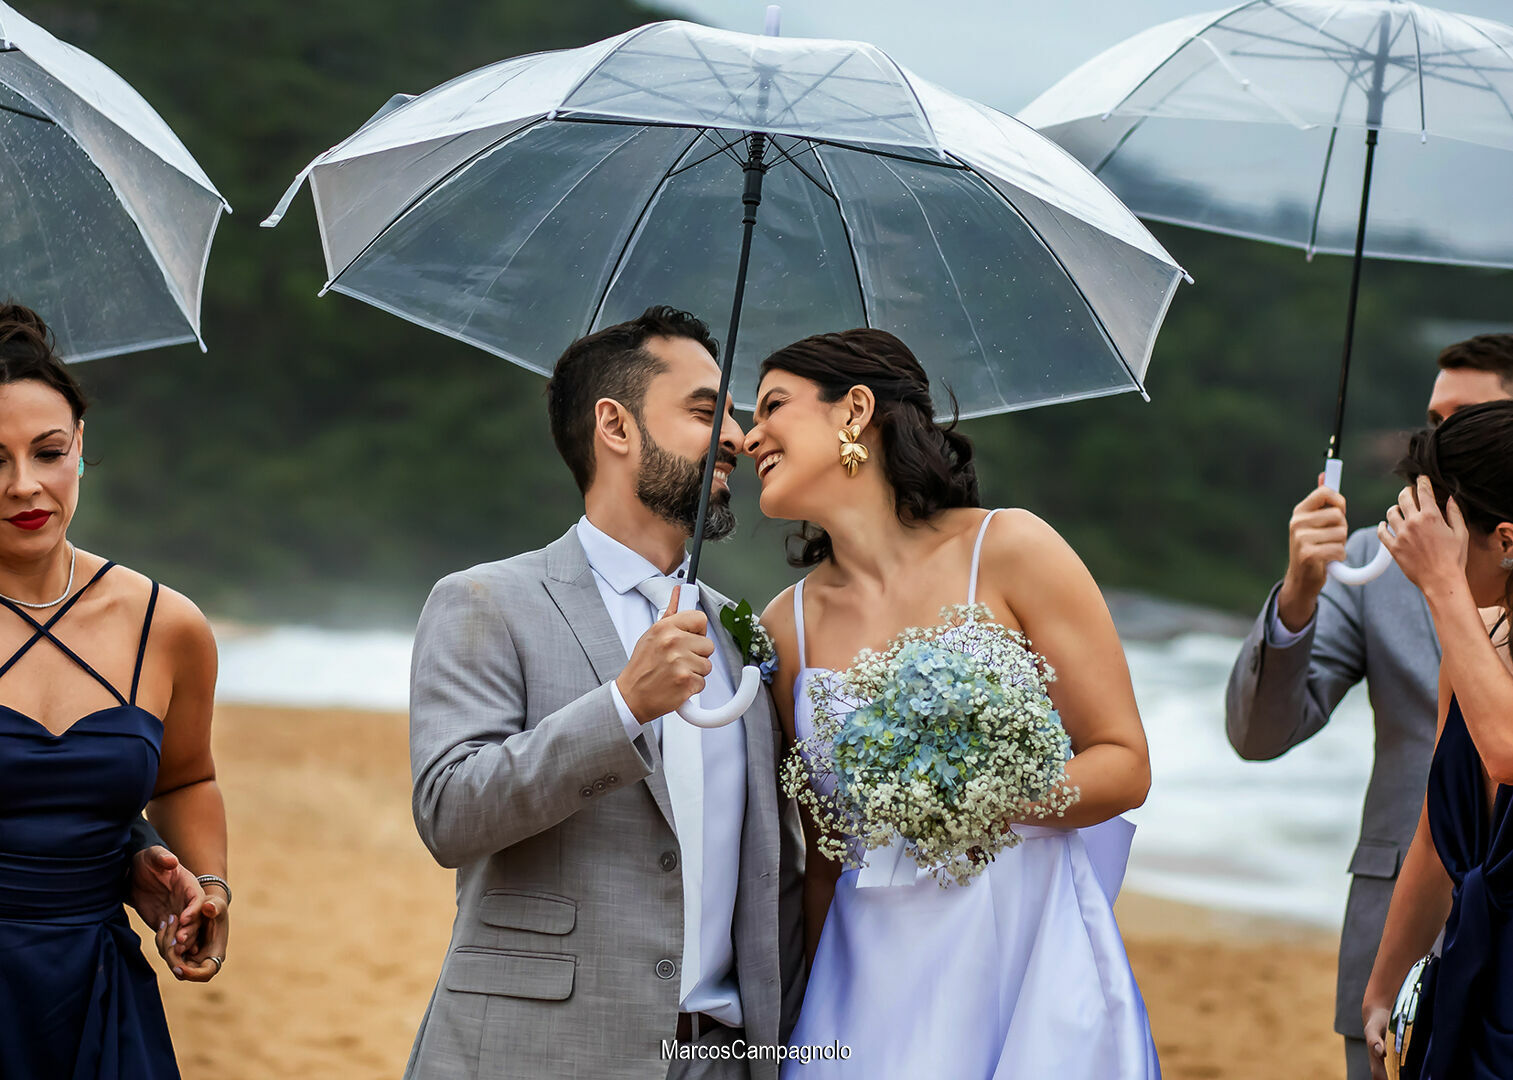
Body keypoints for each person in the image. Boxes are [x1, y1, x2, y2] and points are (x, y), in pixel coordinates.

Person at [744, 329, 1159, 1078]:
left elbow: (1123, 763)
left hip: (1015, 948)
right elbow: (822, 861)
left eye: (771, 406)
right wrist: (808, 1018)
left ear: (855, 410)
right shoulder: (786, 627)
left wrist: (981, 802)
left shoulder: (1009, 550)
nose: (747, 437)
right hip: (864, 975)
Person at [405, 306, 804, 1080]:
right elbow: (449, 813)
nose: (736, 438)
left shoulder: (742, 632)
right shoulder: (485, 600)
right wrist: (622, 705)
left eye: (735, 415)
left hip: (722, 1058)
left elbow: (774, 874)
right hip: (541, 1055)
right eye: (703, 411)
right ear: (615, 427)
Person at [1224, 333, 1513, 1080]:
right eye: (1432, 418)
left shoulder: (1452, 575)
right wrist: (1299, 594)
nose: (1435, 441)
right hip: (1405, 931)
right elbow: (1259, 736)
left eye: (1466, 419)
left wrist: (1446, 588)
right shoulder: (1367, 562)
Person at [0, 303, 230, 1079]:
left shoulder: (168, 625)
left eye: (48, 451)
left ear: (81, 447)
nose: (25, 486)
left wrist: (203, 887)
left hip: (100, 995)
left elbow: (188, 778)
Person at [1361, 400, 1513, 1078]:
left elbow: (1507, 753)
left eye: (1444, 538)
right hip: (1466, 974)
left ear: (1506, 542)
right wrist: (1381, 986)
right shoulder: (1472, 647)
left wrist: (1445, 590)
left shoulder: (1460, 620)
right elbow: (1434, 829)